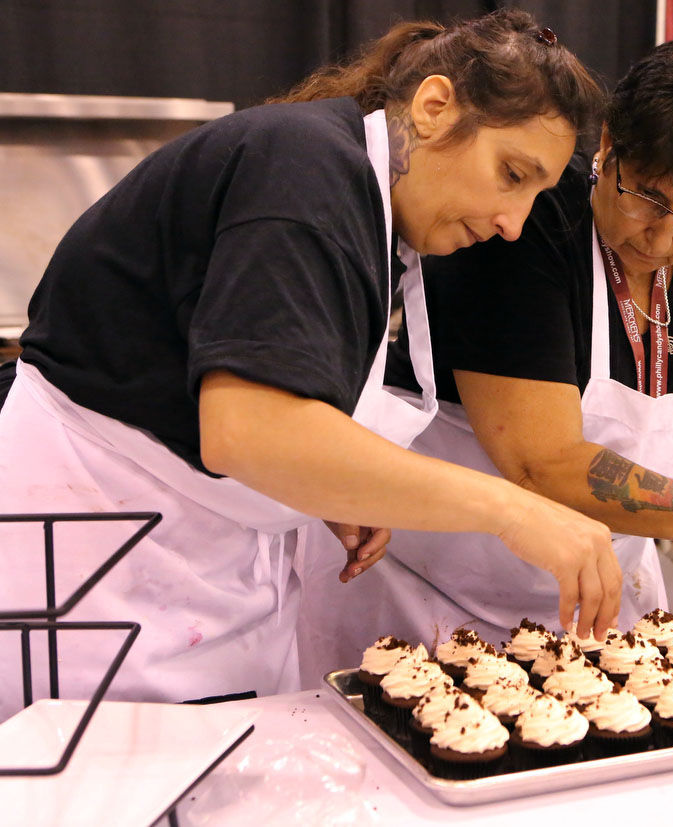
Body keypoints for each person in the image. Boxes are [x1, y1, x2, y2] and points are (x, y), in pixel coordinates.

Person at [0, 10, 619, 720]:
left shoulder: (367, 204)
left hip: (198, 565)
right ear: (433, 107)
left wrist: (325, 487)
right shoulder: (305, 169)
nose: (513, 223)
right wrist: (511, 510)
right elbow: (249, 430)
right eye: (511, 175)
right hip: (98, 560)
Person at [366, 33, 673, 647]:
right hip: (427, 593)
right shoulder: (526, 220)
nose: (663, 238)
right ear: (608, 144)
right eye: (647, 198)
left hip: (598, 602)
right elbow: (544, 464)